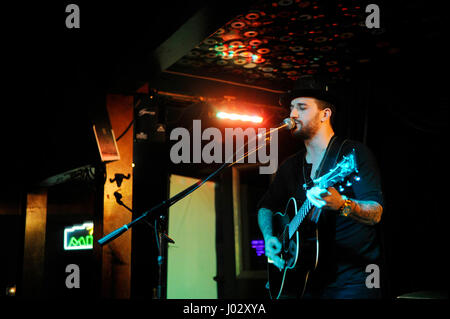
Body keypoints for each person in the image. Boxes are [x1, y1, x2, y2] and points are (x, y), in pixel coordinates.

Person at [257, 76, 384, 299]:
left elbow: (376, 213)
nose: (292, 115)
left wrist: (343, 204)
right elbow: (265, 207)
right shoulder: (290, 166)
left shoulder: (353, 154)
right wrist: (269, 238)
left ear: (325, 114)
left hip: (354, 279)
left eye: (302, 107)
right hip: (305, 279)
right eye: (291, 108)